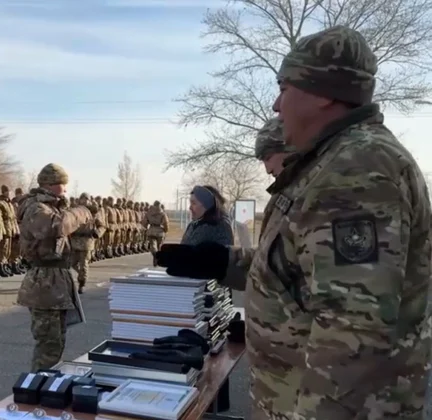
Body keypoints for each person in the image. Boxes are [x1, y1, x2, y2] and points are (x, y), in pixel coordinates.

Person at [156, 26, 431, 419]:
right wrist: (222, 261)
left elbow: (352, 335)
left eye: (284, 88)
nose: (275, 104)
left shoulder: (356, 169)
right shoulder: (331, 163)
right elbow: (298, 268)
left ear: (321, 93)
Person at [16, 163, 94, 371]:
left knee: (56, 342)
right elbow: (55, 227)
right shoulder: (35, 207)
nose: (66, 190)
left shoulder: (52, 207)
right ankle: (36, 388)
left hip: (55, 280)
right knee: (48, 346)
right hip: (44, 281)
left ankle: (45, 385)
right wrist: (80, 213)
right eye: (62, 185)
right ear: (50, 184)